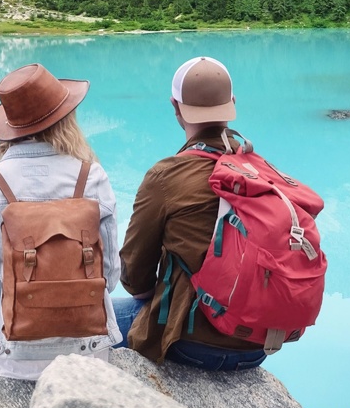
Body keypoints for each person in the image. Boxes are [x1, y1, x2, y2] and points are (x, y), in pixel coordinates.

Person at [0, 63, 121, 401]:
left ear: (10, 128)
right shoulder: (92, 178)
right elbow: (111, 275)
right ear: (65, 118)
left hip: (9, 353)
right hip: (85, 349)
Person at [114, 56, 269, 371]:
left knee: (83, 319)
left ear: (175, 107)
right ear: (232, 104)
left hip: (187, 344)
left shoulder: (165, 176)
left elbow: (135, 279)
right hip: (257, 346)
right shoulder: (260, 171)